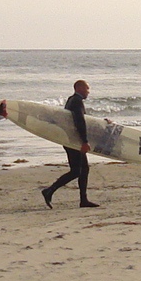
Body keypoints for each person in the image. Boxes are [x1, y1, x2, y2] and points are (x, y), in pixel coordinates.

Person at [42, 80, 98, 208]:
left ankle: (83, 200)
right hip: (74, 141)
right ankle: (49, 190)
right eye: (86, 89)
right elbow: (79, 122)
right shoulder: (76, 101)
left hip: (70, 140)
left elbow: (83, 120)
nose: (88, 92)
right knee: (77, 171)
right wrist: (84, 141)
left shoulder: (71, 100)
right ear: (79, 88)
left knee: (83, 170)